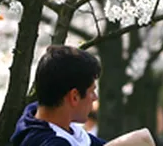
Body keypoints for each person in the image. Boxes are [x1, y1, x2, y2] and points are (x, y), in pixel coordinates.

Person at [11, 45, 155, 146]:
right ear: (74, 97)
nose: (95, 97)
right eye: (92, 91)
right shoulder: (46, 140)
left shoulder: (66, 129)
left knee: (142, 138)